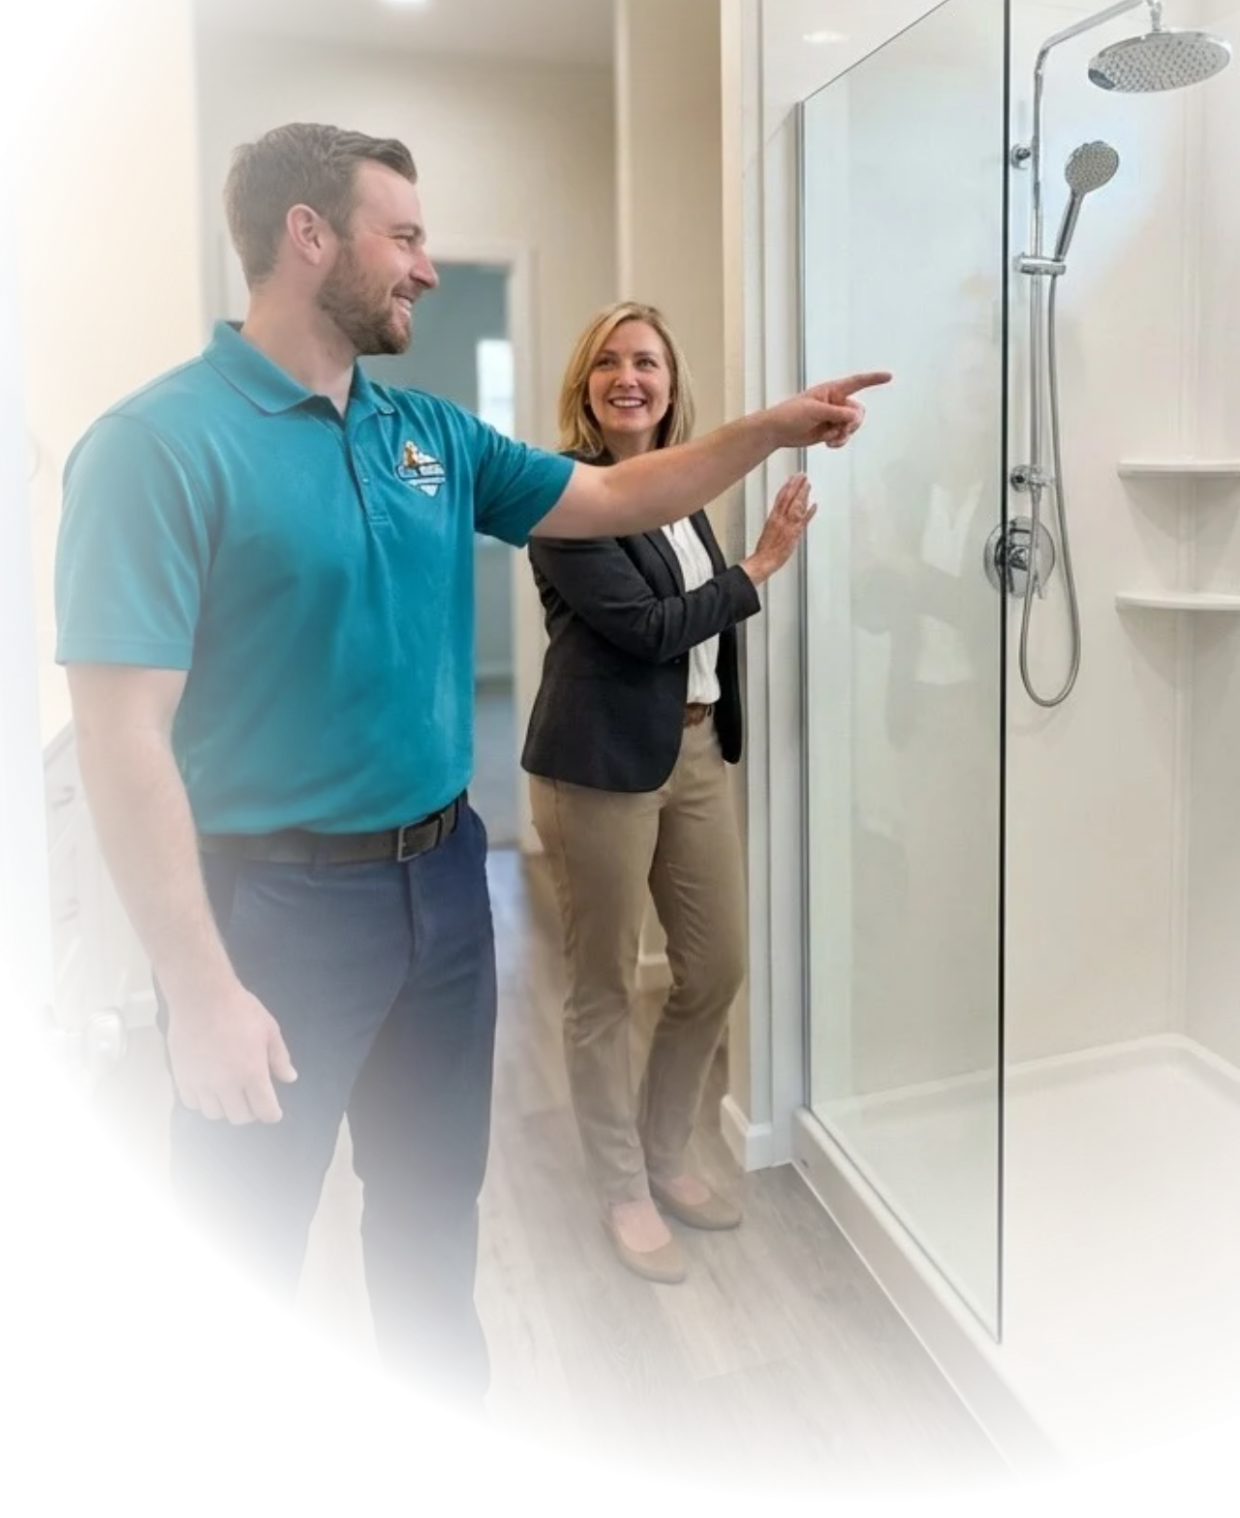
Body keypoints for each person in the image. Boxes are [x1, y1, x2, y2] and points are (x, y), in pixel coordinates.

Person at [51, 123, 887, 1427]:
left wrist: (771, 429)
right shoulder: (156, 447)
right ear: (309, 237)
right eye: (404, 236)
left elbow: (622, 497)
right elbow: (121, 739)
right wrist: (199, 991)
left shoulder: (428, 432)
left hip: (445, 881)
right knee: (250, 1235)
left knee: (435, 1206)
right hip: (276, 911)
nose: (427, 268)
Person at [521, 302, 814, 1284]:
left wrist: (737, 585)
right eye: (608, 362)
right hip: (596, 766)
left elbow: (694, 628)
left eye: (646, 361)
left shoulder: (682, 492)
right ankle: (621, 1187)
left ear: (670, 381)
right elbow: (649, 628)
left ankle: (665, 1152)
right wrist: (759, 567)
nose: (629, 378)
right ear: (585, 383)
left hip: (692, 753)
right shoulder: (565, 496)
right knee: (604, 988)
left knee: (717, 967)